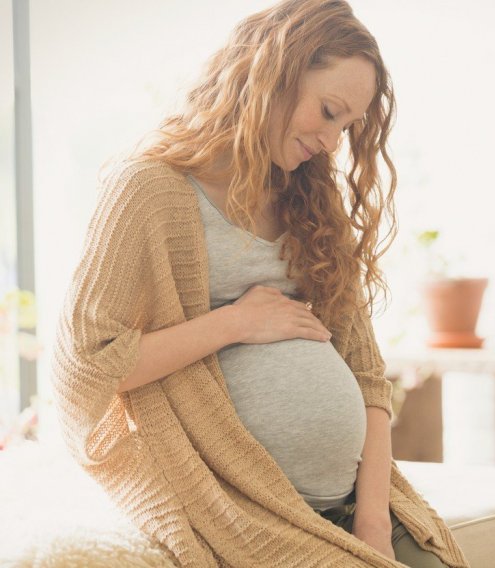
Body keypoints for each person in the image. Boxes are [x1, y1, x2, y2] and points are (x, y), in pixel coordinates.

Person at [50, 1, 470, 567]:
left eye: (345, 126)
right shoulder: (149, 191)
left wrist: (373, 523)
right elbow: (86, 371)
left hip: (354, 507)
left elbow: (368, 376)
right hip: (239, 509)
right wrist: (235, 323)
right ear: (274, 72)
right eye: (327, 111)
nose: (329, 141)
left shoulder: (313, 206)